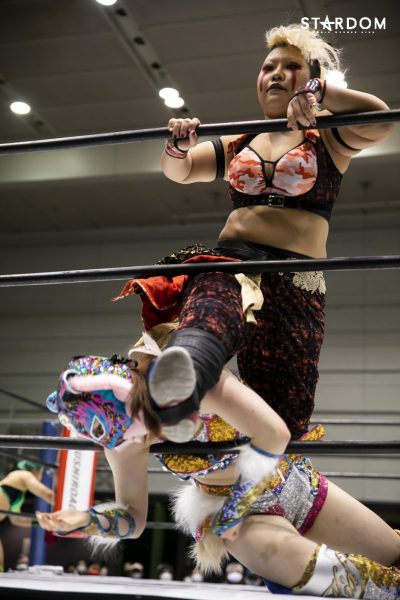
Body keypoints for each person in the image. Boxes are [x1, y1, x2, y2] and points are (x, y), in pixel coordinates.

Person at [113, 23, 394, 443]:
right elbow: (181, 171)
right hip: (233, 262)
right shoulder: (241, 137)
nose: (276, 74)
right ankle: (181, 387)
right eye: (268, 67)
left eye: (290, 67)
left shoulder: (330, 133)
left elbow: (381, 120)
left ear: (312, 78)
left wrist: (319, 93)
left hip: (295, 276)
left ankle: (255, 462)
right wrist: (178, 145)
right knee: (208, 316)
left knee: (285, 408)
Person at [36, 345, 399, 597]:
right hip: (236, 516)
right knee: (321, 572)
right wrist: (87, 520)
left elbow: (274, 434)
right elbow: (133, 517)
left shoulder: (193, 377)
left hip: (288, 481)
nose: (137, 439)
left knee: (393, 551)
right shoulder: (119, 437)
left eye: (138, 426)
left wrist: (237, 508)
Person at [0, 460, 53, 571]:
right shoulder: (22, 475)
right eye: (41, 474)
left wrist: (40, 522)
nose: (41, 478)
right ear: (36, 471)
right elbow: (47, 494)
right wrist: (67, 510)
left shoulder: (18, 493)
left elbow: (16, 520)